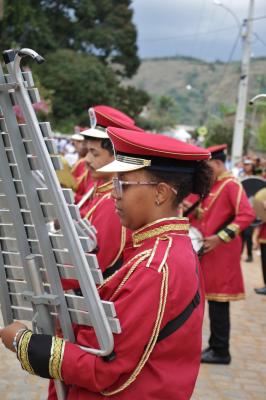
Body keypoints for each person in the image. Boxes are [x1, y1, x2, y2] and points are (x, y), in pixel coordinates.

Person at [0, 127, 212, 400]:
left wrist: (24, 343)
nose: (114, 193)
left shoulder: (155, 266)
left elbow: (107, 369)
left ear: (160, 193)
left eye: (123, 183)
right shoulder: (160, 251)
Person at [187, 144, 256, 365]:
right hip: (207, 253)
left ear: (217, 163)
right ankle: (215, 346)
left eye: (208, 167)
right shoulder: (213, 185)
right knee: (210, 300)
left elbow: (246, 215)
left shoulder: (231, 185)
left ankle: (221, 351)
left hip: (222, 253)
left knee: (219, 302)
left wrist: (221, 237)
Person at [240, 158, 256, 262]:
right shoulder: (239, 178)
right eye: (245, 164)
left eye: (248, 165)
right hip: (241, 210)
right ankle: (238, 254)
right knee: (240, 235)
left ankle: (250, 255)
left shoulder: (256, 179)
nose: (246, 166)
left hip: (252, 210)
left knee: (248, 234)